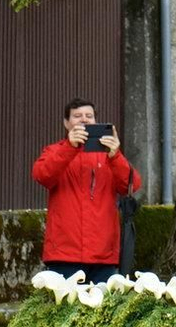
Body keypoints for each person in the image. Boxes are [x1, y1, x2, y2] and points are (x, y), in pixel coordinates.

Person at [33, 98, 141, 283]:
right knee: (65, 310)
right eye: (77, 116)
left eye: (89, 116)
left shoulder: (108, 155)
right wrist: (69, 148)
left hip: (103, 254)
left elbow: (131, 185)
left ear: (96, 122)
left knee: (102, 310)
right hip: (65, 253)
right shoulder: (55, 151)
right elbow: (42, 175)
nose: (84, 120)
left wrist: (115, 156)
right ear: (66, 123)